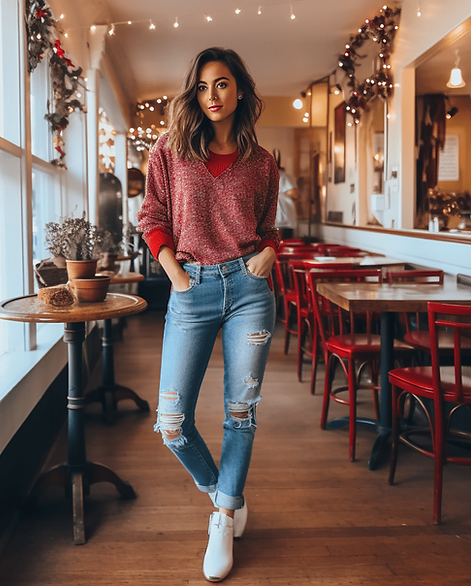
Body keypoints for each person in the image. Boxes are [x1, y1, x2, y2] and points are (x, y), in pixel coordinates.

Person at [136, 47, 279, 582]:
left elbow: (268, 226)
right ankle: (226, 492)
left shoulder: (262, 162)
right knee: (172, 422)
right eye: (201, 86)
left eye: (221, 84)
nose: (212, 95)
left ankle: (222, 518)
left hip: (249, 289)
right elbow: (151, 215)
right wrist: (175, 275)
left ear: (239, 89)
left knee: (240, 413)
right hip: (190, 287)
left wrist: (271, 251)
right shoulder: (170, 150)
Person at [272, 148, 299, 240]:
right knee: (286, 242)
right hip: (283, 215)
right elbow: (294, 193)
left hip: (275, 216)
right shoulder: (284, 176)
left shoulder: (263, 175)